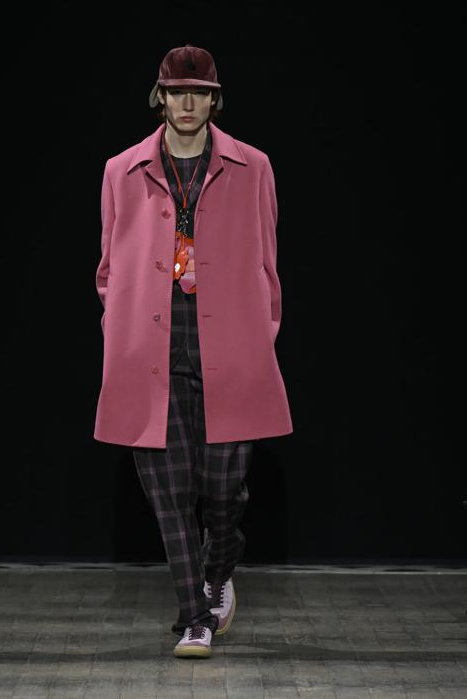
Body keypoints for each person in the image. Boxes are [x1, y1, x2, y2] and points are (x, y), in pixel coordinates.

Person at [93, 44, 293, 658]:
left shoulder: (252, 167)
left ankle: (218, 568)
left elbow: (267, 262)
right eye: (178, 92)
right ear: (160, 96)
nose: (187, 103)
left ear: (214, 99)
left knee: (225, 491)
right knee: (169, 495)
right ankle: (195, 618)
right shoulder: (122, 170)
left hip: (229, 349)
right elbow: (108, 266)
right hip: (149, 352)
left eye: (199, 93)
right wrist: (118, 327)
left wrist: (260, 332)